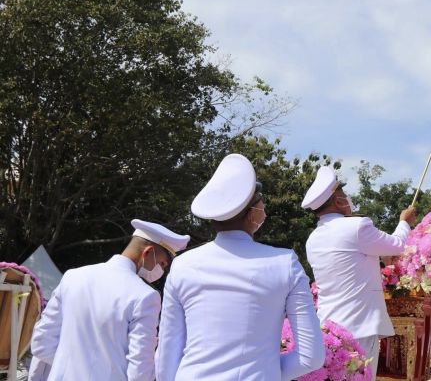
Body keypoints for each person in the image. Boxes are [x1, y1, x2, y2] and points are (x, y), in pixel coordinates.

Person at [155, 154, 324, 381]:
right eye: (260, 201)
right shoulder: (284, 262)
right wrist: (266, 371)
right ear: (252, 213)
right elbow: (310, 357)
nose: (264, 206)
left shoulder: (183, 264)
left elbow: (167, 352)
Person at [30, 219, 189, 380]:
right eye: (162, 264)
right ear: (147, 252)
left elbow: (41, 343)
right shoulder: (145, 296)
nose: (161, 271)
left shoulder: (73, 276)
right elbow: (139, 372)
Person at [304, 165, 416, 381]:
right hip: (359, 327)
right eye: (343, 194)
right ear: (337, 201)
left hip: (330, 327)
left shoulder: (313, 239)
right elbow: (398, 244)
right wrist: (404, 221)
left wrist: (379, 259)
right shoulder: (357, 226)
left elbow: (348, 264)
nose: (348, 198)